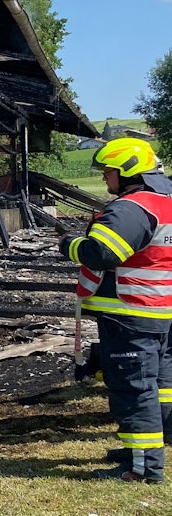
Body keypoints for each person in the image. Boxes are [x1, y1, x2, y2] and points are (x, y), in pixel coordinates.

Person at [59, 137, 172, 484]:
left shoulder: (132, 208)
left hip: (131, 313)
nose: (106, 178)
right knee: (159, 385)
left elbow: (103, 253)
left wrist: (70, 245)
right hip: (159, 311)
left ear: (126, 172)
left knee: (133, 389)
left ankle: (143, 468)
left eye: (108, 171)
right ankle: (149, 446)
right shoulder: (164, 203)